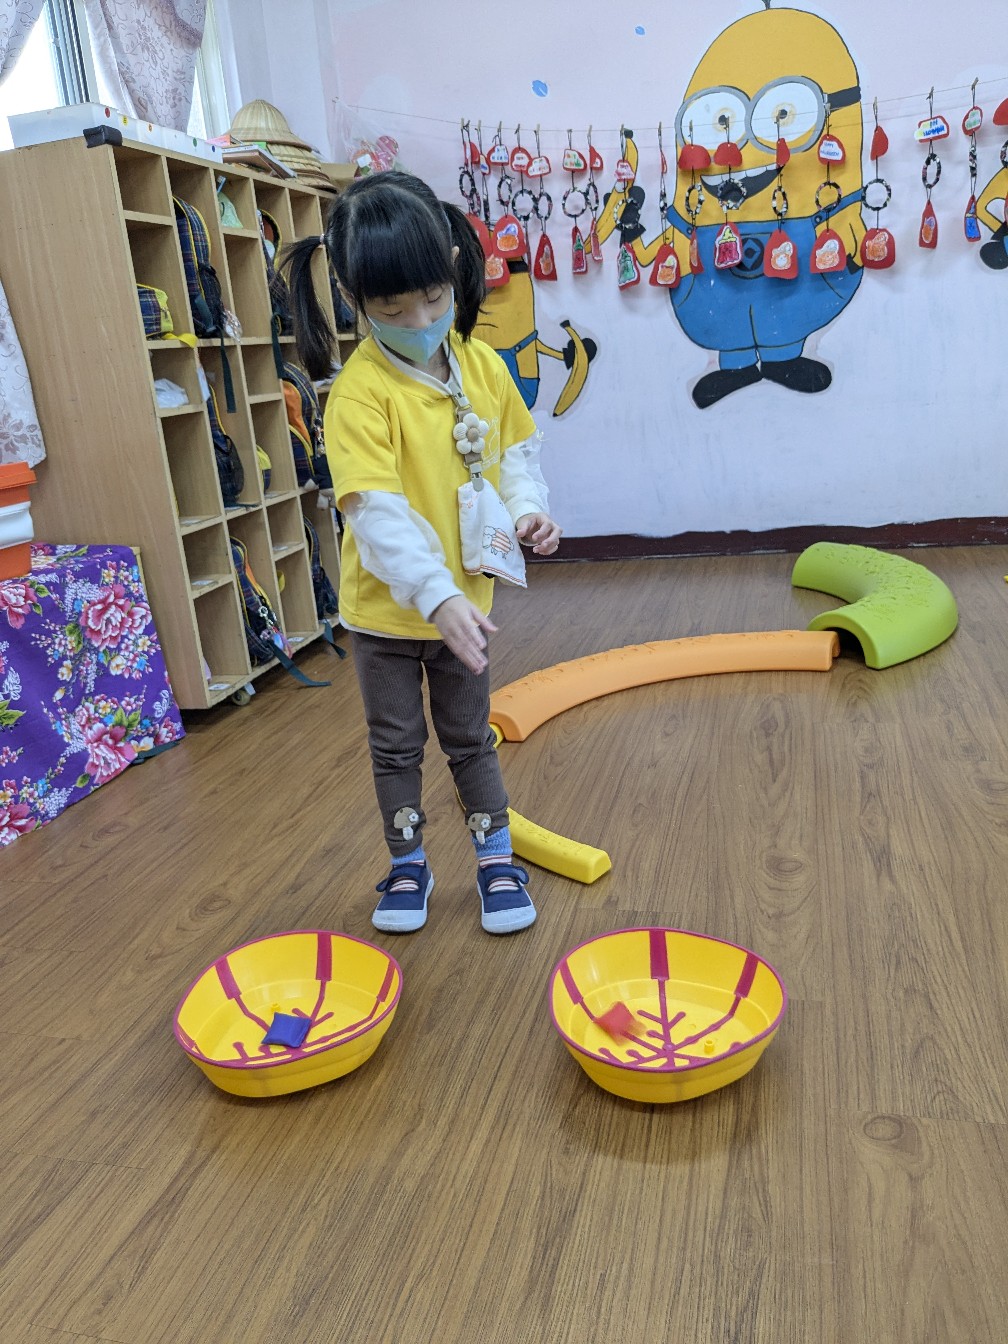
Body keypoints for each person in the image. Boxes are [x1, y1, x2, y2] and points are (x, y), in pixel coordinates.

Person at [281, 171, 562, 936]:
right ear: (353, 298)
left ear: (453, 269)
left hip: (465, 610)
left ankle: (495, 859)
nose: (421, 319)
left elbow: (516, 455)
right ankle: (408, 864)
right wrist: (434, 595)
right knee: (395, 746)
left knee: (471, 738)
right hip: (387, 616)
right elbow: (376, 514)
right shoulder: (359, 394)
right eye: (392, 310)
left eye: (434, 298)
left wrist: (529, 510)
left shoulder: (481, 364)